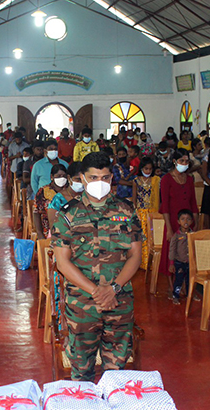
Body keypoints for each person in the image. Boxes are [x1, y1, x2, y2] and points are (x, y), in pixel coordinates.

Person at [50, 152, 142, 381]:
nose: (99, 184)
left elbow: (135, 256)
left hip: (119, 302)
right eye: (93, 178)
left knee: (117, 375)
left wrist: (113, 289)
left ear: (112, 178)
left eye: (105, 178)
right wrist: (97, 292)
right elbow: (62, 262)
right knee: (81, 374)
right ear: (82, 178)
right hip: (82, 306)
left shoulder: (127, 211)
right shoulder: (68, 214)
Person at [160, 150, 199, 292]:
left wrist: (195, 221)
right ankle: (172, 286)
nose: (184, 164)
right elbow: (164, 206)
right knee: (172, 252)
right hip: (173, 221)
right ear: (174, 162)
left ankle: (184, 284)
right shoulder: (166, 179)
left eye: (186, 162)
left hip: (188, 222)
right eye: (181, 161)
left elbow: (193, 202)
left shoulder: (189, 179)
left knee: (186, 252)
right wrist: (169, 228)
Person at [132, 157, 160, 270]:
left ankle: (153, 262)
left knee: (153, 237)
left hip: (153, 212)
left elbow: (158, 198)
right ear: (141, 168)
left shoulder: (156, 180)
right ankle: (142, 262)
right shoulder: (136, 181)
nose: (148, 171)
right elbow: (134, 198)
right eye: (146, 168)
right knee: (143, 237)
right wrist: (135, 212)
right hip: (141, 213)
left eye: (150, 169)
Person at [34, 164, 69, 239]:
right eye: (58, 176)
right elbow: (36, 213)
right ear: (52, 177)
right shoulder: (43, 191)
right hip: (47, 228)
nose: (62, 178)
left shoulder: (69, 191)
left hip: (68, 227)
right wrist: (40, 234)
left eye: (64, 176)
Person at [47, 162, 84, 230]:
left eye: (83, 179)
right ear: (69, 178)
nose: (81, 183)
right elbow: (53, 227)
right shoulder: (58, 200)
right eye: (78, 179)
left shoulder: (89, 196)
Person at [169, 209, 193, 305]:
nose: (185, 222)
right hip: (179, 263)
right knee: (178, 281)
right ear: (178, 222)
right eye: (183, 219)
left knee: (189, 281)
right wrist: (171, 263)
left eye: (188, 219)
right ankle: (175, 296)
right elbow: (172, 250)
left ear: (191, 221)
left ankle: (189, 295)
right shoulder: (176, 236)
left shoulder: (193, 235)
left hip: (190, 263)